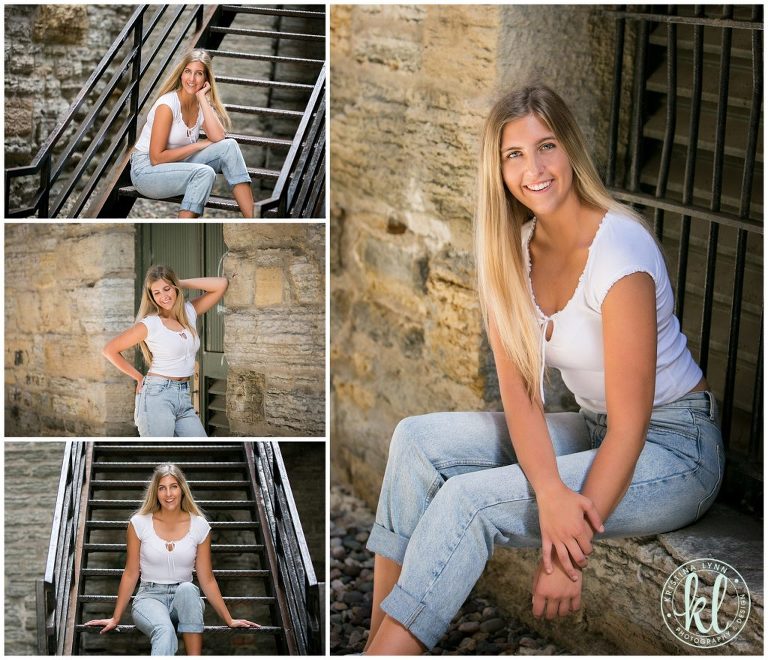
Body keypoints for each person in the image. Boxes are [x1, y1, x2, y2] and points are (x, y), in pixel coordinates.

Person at [362, 86, 724, 654]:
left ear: (570, 150)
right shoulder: (513, 251)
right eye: (514, 154)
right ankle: (377, 644)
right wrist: (550, 491)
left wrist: (567, 547)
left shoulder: (619, 254)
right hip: (599, 426)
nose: (534, 168)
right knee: (415, 442)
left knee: (469, 501)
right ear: (499, 168)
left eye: (546, 146)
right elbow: (522, 396)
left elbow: (630, 430)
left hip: (675, 447)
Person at [84, 463, 260, 655]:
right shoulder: (139, 523)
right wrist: (115, 618)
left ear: (182, 489)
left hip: (184, 601)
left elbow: (207, 579)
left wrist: (229, 619)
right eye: (162, 488)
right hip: (149, 597)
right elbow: (131, 572)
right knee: (165, 630)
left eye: (173, 486)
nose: (168, 494)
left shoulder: (199, 525)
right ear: (155, 492)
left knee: (187, 589)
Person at [103, 265, 228, 437]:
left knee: (201, 446)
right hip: (157, 396)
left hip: (183, 394)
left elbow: (221, 284)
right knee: (160, 451)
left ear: (175, 287)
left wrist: (181, 282)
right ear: (152, 297)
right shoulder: (151, 324)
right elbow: (110, 350)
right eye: (157, 293)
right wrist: (139, 377)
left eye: (167, 289)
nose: (164, 296)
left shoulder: (188, 312)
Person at [130, 49, 254, 218]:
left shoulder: (198, 102)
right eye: (188, 71)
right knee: (204, 173)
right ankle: (183, 234)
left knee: (230, 146)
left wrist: (203, 98)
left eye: (199, 74)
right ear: (181, 74)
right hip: (146, 171)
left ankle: (252, 220)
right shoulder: (167, 106)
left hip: (177, 162)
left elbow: (218, 137)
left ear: (206, 79)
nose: (191, 79)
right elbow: (156, 158)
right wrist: (198, 145)